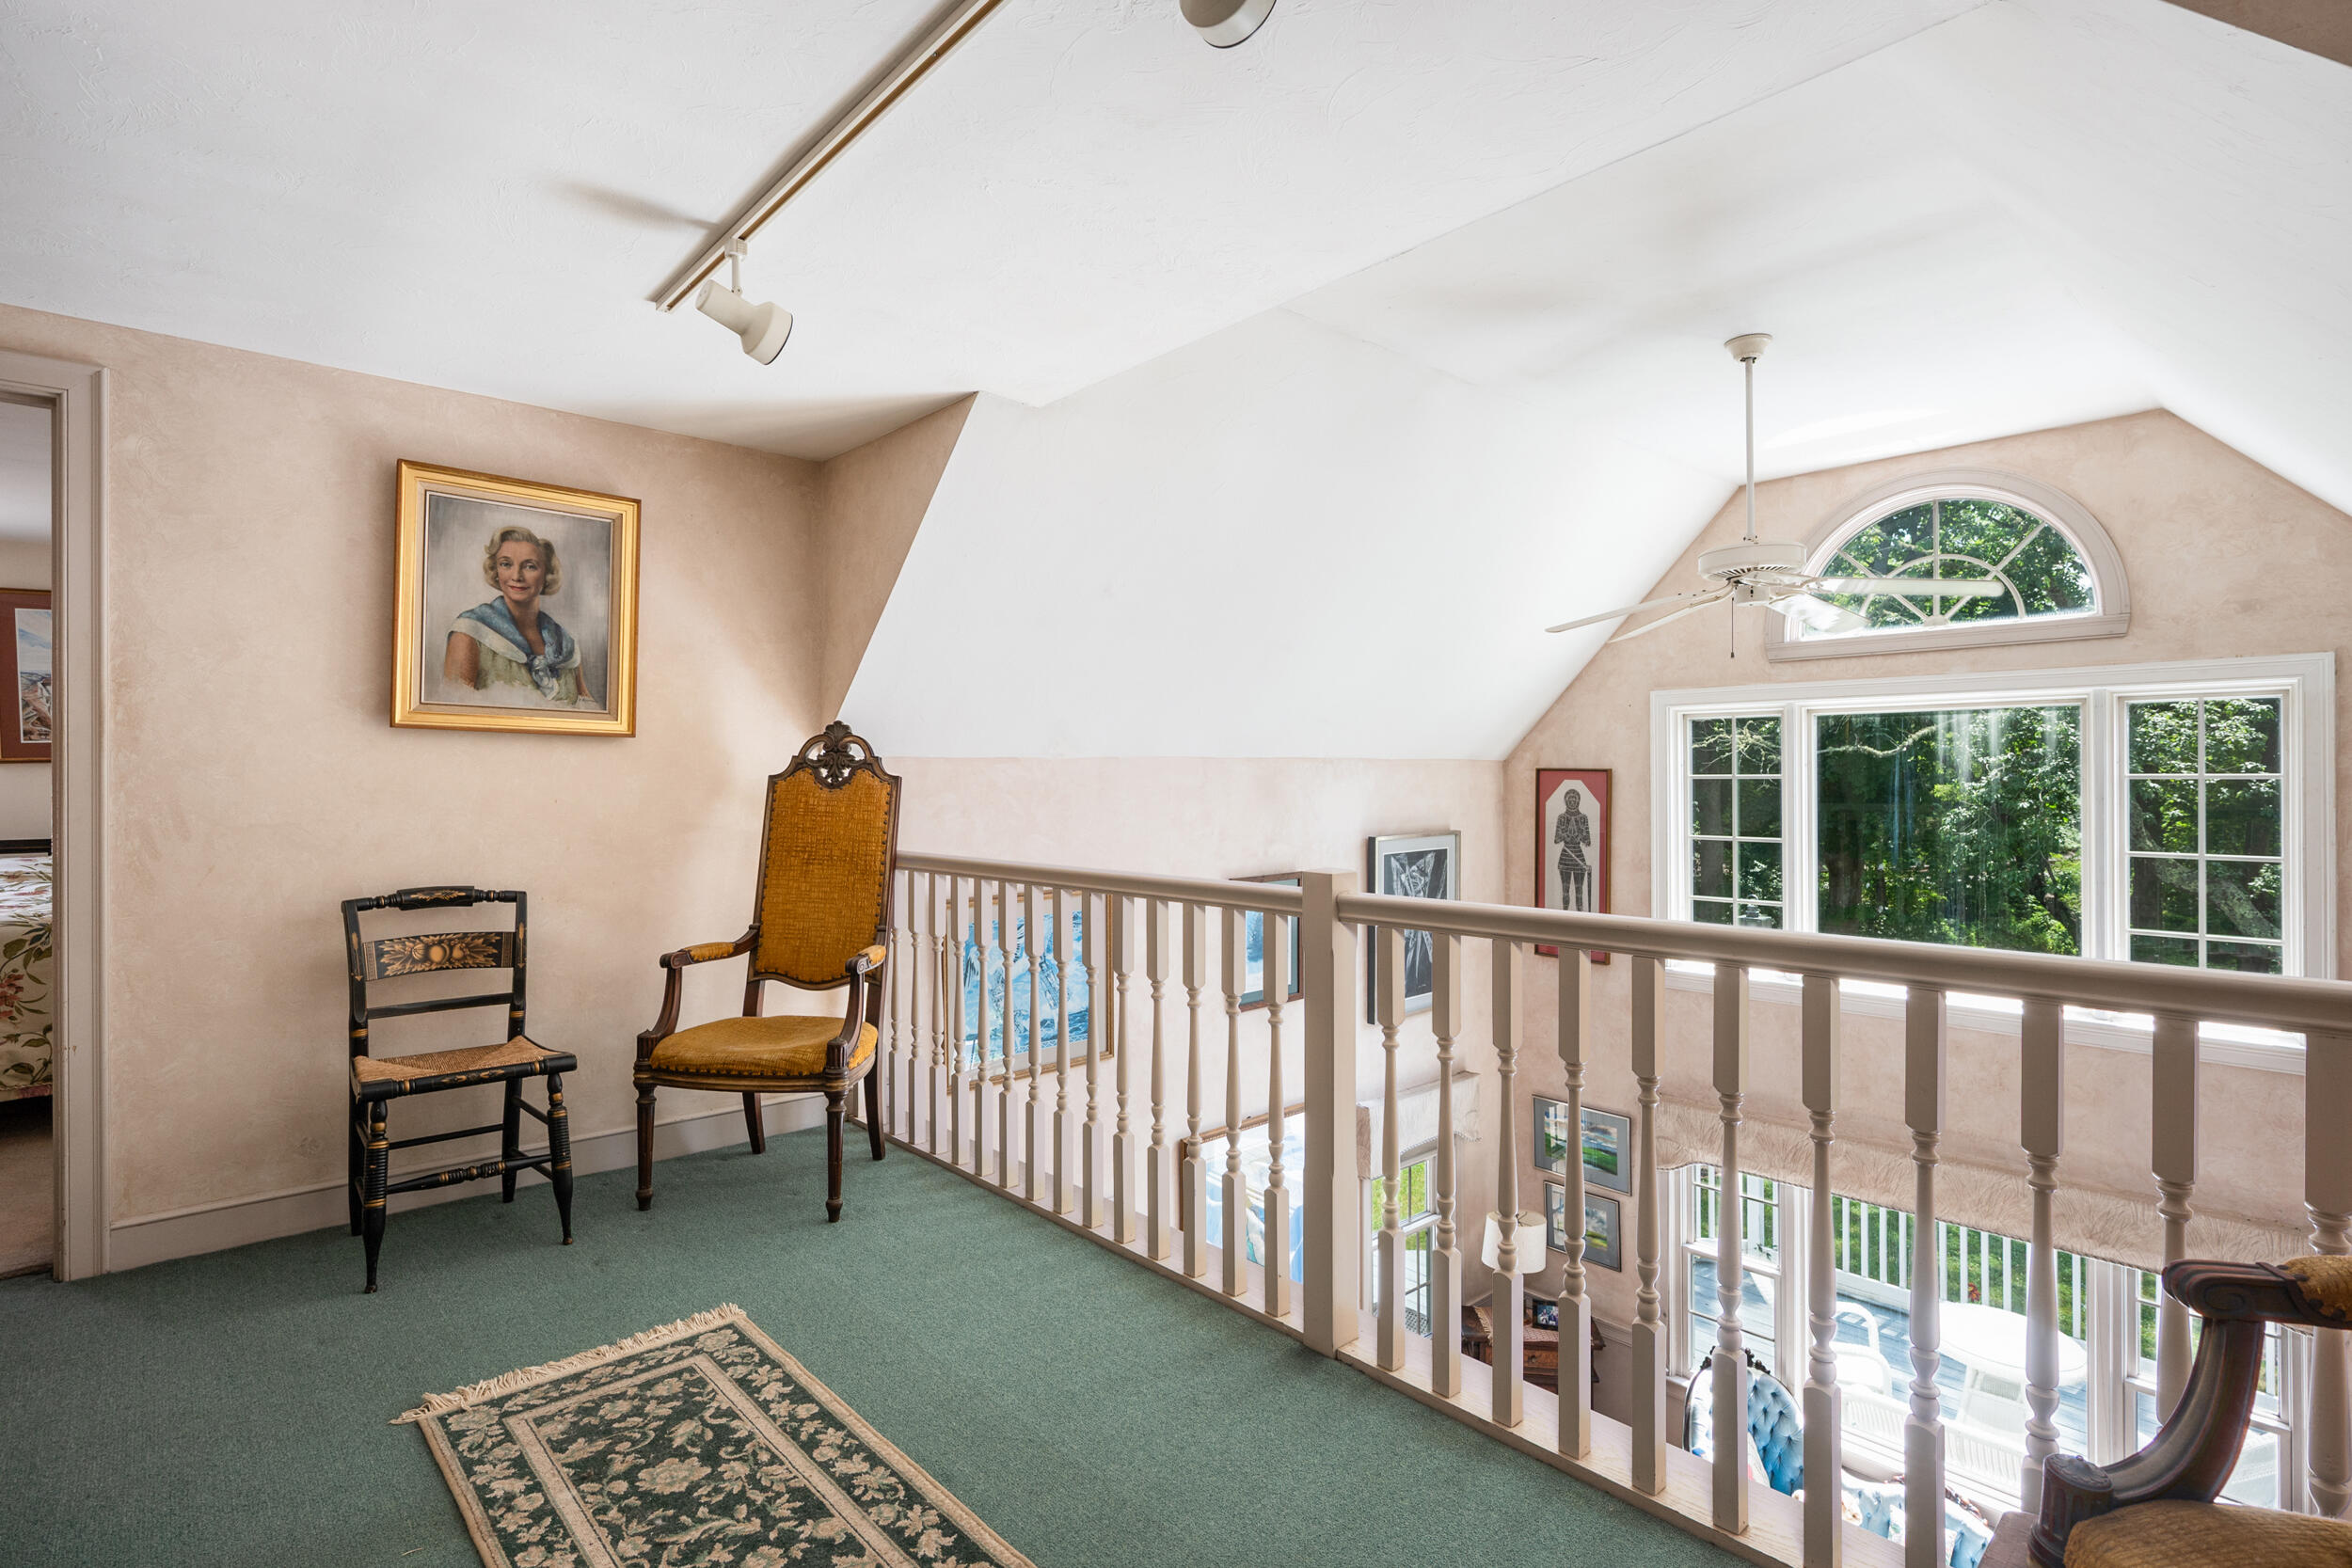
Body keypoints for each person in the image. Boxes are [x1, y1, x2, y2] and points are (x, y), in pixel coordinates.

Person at [443, 525, 597, 706]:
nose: (517, 576)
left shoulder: (566, 645)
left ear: (547, 574)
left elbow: (589, 713)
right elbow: (452, 710)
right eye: (506, 564)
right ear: (496, 570)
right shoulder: (468, 632)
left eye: (530, 566)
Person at [1554, 785, 1594, 912]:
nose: (1572, 801)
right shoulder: (1561, 817)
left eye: (1574, 799)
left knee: (1579, 891)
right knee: (1565, 890)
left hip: (1578, 855)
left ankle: (1580, 917)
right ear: (1566, 801)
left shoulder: (1583, 818)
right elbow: (1557, 839)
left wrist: (1579, 835)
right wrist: (1566, 834)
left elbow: (1587, 841)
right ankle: (1564, 915)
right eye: (1570, 799)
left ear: (1578, 801)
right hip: (1566, 854)